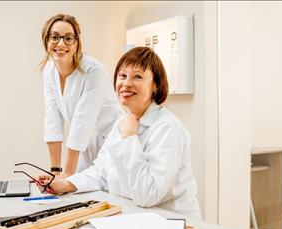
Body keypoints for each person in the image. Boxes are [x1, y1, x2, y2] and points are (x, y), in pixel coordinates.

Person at [38, 47, 202, 219]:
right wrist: (66, 184)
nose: (126, 83)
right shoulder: (123, 122)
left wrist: (130, 138)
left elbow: (148, 194)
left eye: (137, 77)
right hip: (134, 217)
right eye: (122, 76)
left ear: (156, 85)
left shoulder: (168, 129)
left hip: (172, 223)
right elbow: (102, 172)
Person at [40, 14, 122, 176]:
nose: (61, 43)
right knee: (80, 192)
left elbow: (81, 121)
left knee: (105, 191)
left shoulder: (93, 70)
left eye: (69, 38)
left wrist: (67, 176)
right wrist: (55, 173)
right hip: (83, 145)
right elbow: (52, 120)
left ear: (77, 43)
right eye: (54, 37)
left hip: (113, 142)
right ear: (46, 40)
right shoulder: (49, 70)